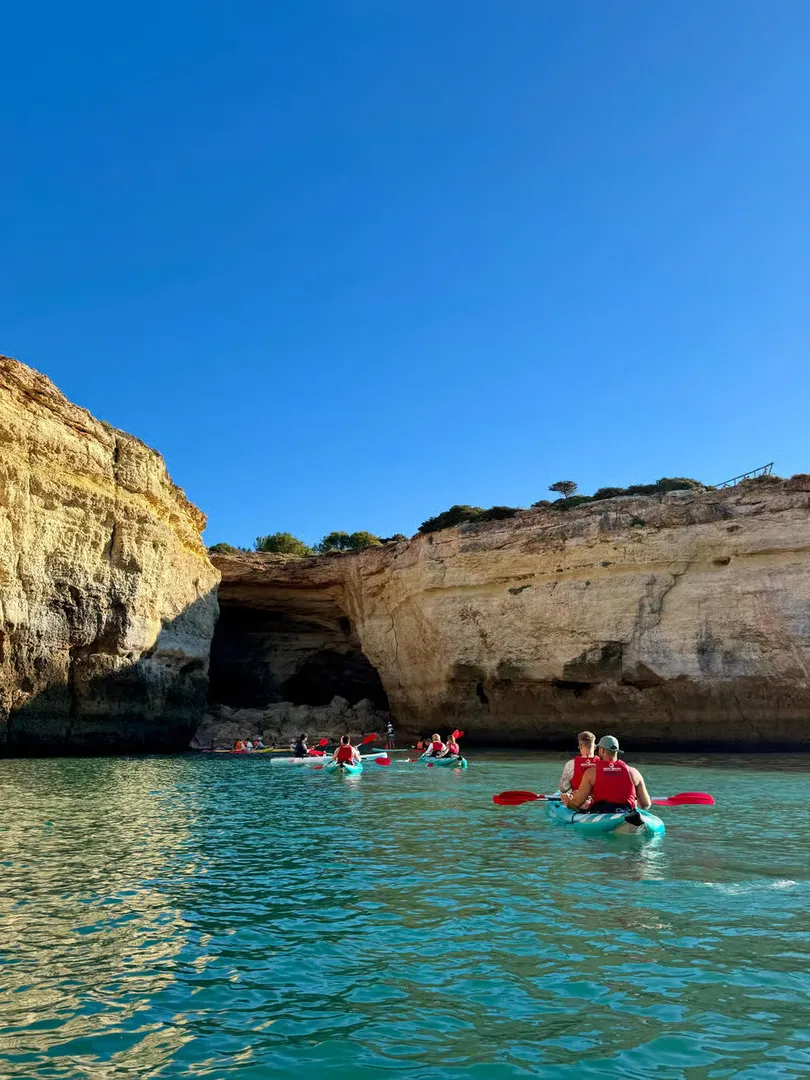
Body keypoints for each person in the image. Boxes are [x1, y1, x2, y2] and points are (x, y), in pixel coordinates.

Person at [561, 735, 651, 813]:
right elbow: (645, 805)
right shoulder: (634, 772)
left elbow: (576, 804)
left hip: (601, 813)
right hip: (627, 812)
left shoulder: (591, 773)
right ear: (617, 751)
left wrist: (568, 802)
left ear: (602, 750)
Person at [558, 731, 599, 795]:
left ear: (580, 746)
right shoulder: (603, 763)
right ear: (595, 747)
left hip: (578, 802)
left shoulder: (570, 764)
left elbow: (563, 789)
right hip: (597, 802)